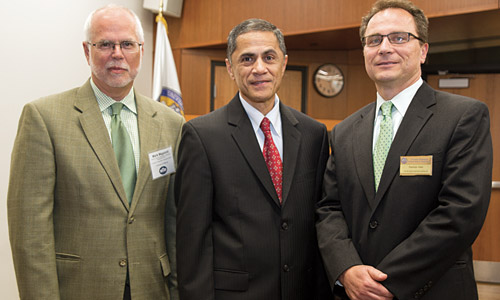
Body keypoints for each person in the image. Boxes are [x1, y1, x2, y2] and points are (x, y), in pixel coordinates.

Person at [316, 0, 493, 299]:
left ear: (423, 50)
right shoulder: (345, 131)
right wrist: (347, 270)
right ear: (364, 52)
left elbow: (460, 213)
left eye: (398, 37)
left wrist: (386, 282)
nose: (384, 48)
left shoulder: (464, 116)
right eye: (374, 40)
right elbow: (329, 209)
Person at [8, 4, 183, 300]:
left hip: (152, 288)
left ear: (141, 50)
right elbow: (30, 233)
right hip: (78, 289)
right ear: (87, 51)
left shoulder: (171, 123)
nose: (117, 53)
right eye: (105, 44)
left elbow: (175, 220)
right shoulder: (44, 117)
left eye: (127, 44)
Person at [175, 18, 332, 300]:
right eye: (247, 59)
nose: (259, 68)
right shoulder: (201, 136)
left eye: (268, 57)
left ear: (283, 63)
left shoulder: (314, 134)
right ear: (230, 68)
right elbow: (192, 242)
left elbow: (318, 222)